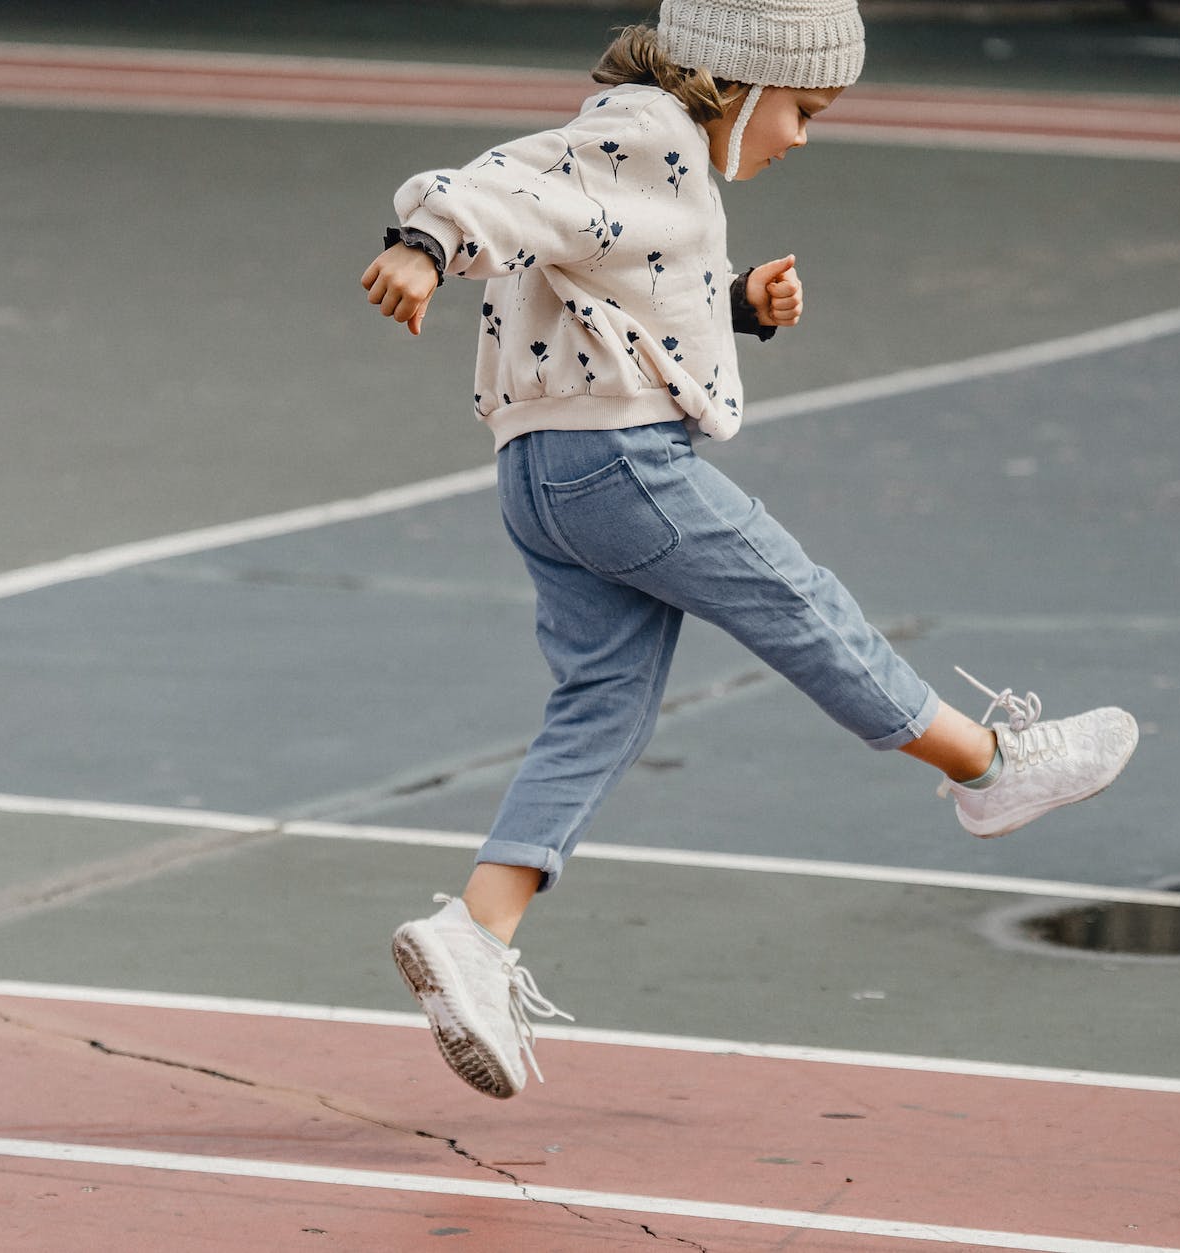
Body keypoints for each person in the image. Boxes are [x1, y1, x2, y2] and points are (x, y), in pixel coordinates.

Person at [361, 0, 1138, 1100]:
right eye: (804, 110)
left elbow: (607, 282)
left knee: (601, 704)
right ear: (739, 86)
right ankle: (991, 770)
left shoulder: (642, 153)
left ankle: (476, 936)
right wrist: (424, 248)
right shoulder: (648, 130)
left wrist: (733, 306)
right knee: (799, 602)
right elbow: (504, 182)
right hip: (619, 465)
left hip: (538, 474)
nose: (803, 137)